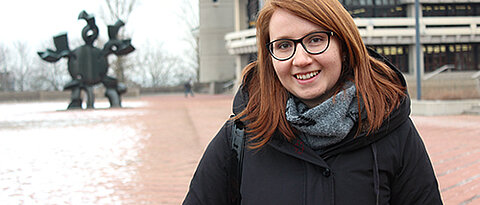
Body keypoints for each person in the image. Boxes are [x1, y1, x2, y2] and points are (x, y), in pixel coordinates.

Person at [183, 0, 443, 204]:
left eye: (315, 40)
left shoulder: (393, 131)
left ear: (343, 45)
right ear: (269, 57)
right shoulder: (240, 136)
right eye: (284, 45)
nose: (301, 59)